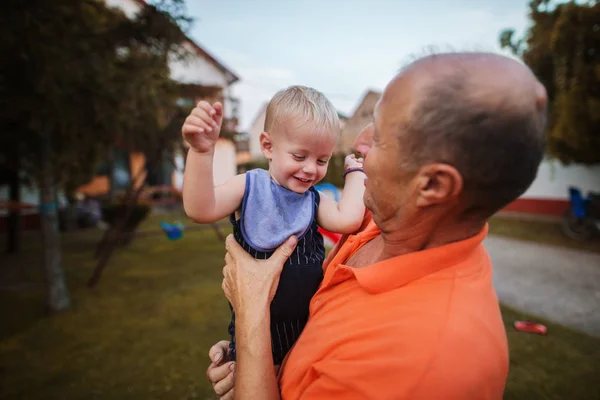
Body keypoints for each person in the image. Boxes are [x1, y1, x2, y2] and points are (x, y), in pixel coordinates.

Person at [207, 52, 549, 399]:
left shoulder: (418, 366)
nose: (359, 143)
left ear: (432, 186)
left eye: (382, 136)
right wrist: (257, 358)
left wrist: (251, 314)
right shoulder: (383, 222)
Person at [181, 86, 366, 366]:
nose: (310, 169)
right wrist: (200, 152)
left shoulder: (313, 199)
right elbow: (200, 209)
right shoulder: (248, 186)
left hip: (309, 329)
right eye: (299, 156)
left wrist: (355, 174)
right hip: (256, 330)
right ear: (268, 146)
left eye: (322, 160)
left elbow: (348, 220)